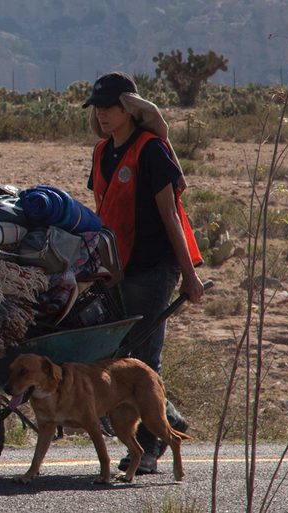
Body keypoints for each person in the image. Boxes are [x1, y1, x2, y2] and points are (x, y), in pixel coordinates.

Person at [83, 72, 205, 474]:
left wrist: (189, 274)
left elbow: (170, 214)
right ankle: (170, 420)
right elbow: (103, 210)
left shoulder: (151, 150)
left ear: (129, 108)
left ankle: (151, 448)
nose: (102, 114)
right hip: (116, 268)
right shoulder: (102, 153)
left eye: (110, 107)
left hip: (154, 266)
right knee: (117, 354)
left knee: (145, 357)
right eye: (97, 108)